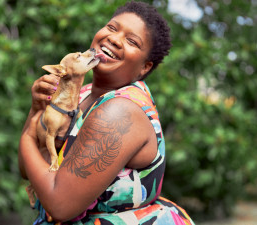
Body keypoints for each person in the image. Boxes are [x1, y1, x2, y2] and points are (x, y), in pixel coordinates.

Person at [18, 1, 195, 224]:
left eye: (132, 41)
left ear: (145, 67)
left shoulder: (120, 111)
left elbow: (60, 204)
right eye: (112, 28)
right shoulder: (80, 96)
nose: (114, 38)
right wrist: (36, 111)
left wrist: (26, 136)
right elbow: (28, 168)